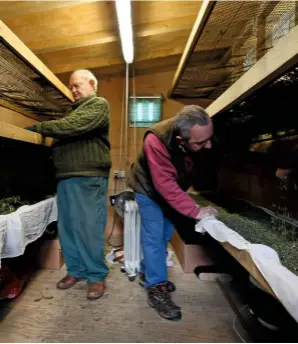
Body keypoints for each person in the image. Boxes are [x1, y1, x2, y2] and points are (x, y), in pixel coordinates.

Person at [26, 69, 111, 300]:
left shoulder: (98, 105)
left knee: (89, 227)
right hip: (66, 176)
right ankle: (76, 271)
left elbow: (74, 126)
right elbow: (67, 126)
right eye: (71, 86)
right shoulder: (70, 111)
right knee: (68, 227)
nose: (73, 90)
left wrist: (39, 128)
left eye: (77, 85)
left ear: (92, 83)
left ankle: (96, 275)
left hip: (88, 176)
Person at [128, 105, 219, 321]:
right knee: (154, 236)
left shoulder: (200, 134)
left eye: (209, 139)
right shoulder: (155, 140)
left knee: (164, 235)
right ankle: (156, 288)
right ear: (180, 140)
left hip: (171, 188)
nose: (208, 146)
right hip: (148, 189)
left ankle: (146, 272)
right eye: (200, 143)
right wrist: (196, 211)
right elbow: (165, 185)